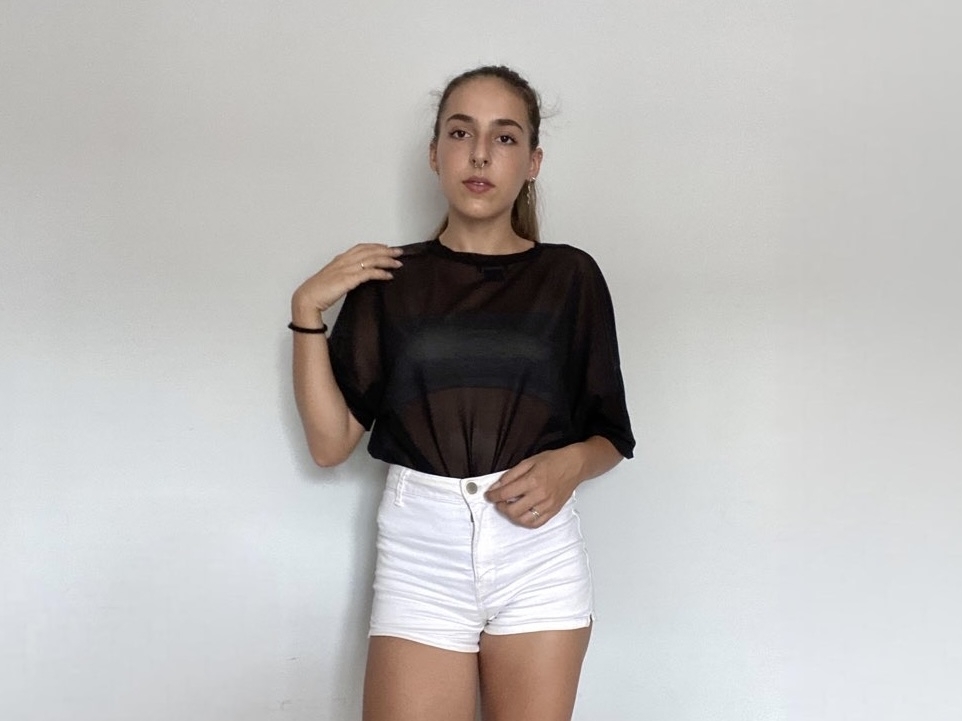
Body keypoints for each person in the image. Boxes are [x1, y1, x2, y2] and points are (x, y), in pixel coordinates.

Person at [290, 65, 634, 721]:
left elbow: (611, 433)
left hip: (537, 551)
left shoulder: (570, 277)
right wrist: (306, 308)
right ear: (434, 153)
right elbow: (330, 445)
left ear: (532, 162)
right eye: (460, 132)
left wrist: (570, 464)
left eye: (504, 137)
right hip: (421, 554)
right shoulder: (388, 281)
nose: (479, 154)